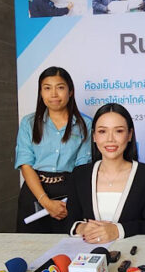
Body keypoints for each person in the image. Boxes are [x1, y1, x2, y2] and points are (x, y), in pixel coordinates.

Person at [64, 103, 145, 243]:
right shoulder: (80, 175)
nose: (110, 139)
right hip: (87, 253)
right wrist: (81, 227)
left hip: (134, 252)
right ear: (94, 136)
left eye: (118, 131)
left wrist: (117, 230)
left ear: (129, 135)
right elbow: (69, 220)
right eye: (102, 131)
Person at [15, 66, 92, 233]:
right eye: (47, 88)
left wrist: (70, 203)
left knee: (68, 244)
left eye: (60, 87)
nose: (54, 94)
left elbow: (83, 168)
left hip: (69, 196)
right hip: (34, 192)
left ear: (70, 92)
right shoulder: (28, 123)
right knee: (30, 245)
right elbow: (25, 165)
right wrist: (46, 203)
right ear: (41, 93)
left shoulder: (85, 125)